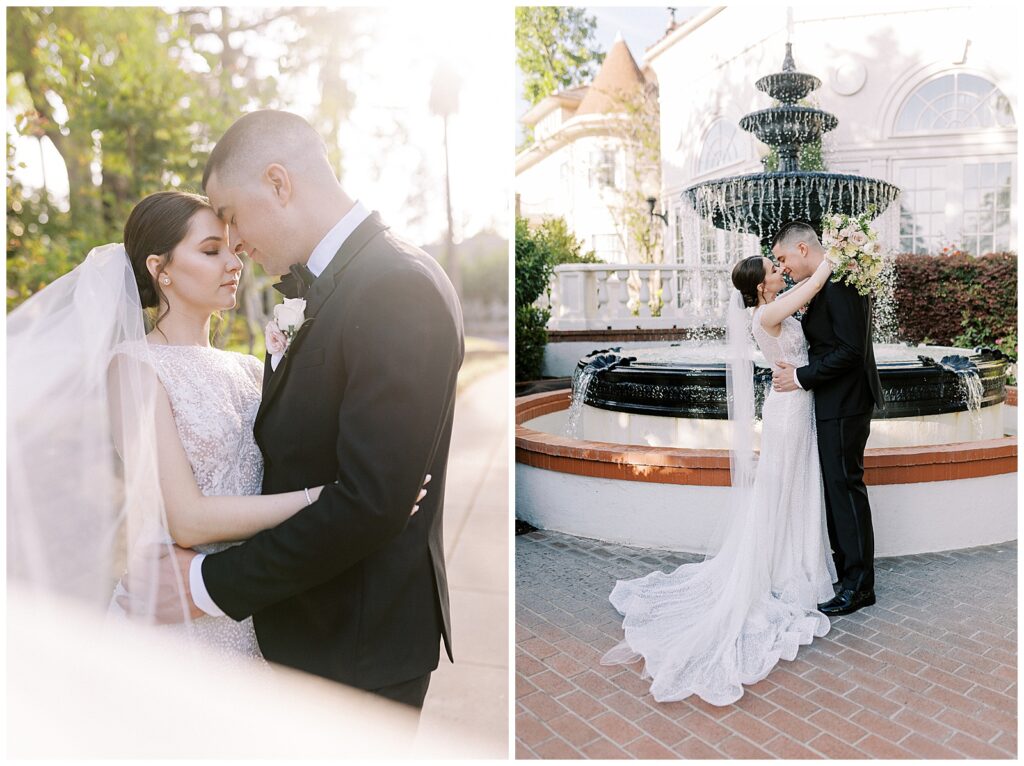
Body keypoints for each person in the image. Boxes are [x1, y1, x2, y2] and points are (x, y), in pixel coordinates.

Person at [8, 191, 428, 662]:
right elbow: (187, 518)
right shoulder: (132, 368)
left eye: (232, 248)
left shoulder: (250, 369)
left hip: (255, 606)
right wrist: (327, 497)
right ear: (159, 268)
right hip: (177, 617)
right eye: (211, 251)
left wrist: (376, 486)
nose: (234, 262)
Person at [136, 110, 464, 710]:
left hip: (355, 650)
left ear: (279, 184)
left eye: (230, 217)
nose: (232, 243)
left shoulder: (397, 286)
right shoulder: (321, 290)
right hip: (297, 637)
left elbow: (370, 503)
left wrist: (206, 585)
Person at [601, 252, 836, 706]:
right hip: (789, 413)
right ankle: (787, 567)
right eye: (772, 270)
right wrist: (835, 257)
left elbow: (801, 305)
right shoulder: (767, 312)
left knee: (796, 488)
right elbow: (808, 289)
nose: (779, 272)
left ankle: (796, 558)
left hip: (795, 404)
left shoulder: (771, 306)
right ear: (760, 286)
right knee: (785, 489)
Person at [771, 220, 884, 616]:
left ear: (803, 250)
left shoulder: (840, 283)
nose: (782, 267)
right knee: (838, 487)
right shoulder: (825, 283)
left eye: (783, 258)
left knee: (846, 487)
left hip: (847, 402)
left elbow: (851, 350)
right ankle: (848, 573)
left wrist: (801, 377)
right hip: (835, 401)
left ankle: (859, 585)